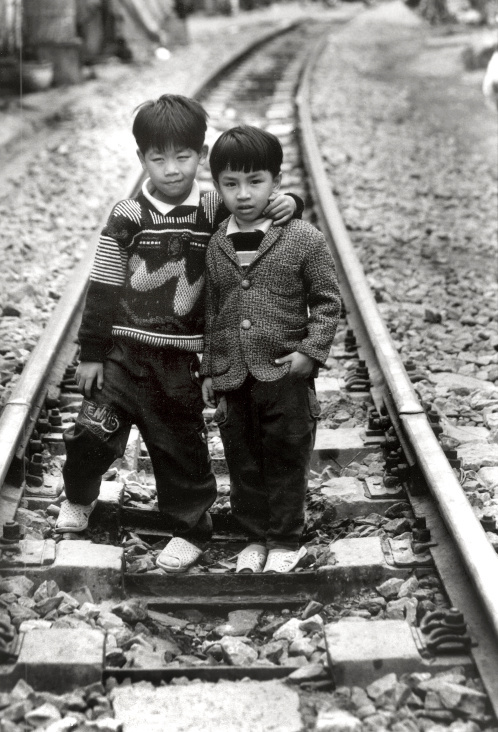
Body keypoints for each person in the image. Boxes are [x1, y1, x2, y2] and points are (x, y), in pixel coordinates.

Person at [57, 95, 302, 574]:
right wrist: (92, 352)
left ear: (200, 154)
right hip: (122, 356)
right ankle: (79, 496)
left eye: (184, 156)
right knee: (90, 435)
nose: (172, 169)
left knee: (180, 447)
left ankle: (189, 527)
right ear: (141, 159)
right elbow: (104, 284)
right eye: (158, 158)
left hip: (178, 362)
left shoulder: (212, 208)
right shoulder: (128, 216)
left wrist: (292, 201)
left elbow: (260, 212)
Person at [201, 125, 341, 573]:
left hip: (285, 373)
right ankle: (254, 537)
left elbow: (326, 301)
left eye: (256, 181)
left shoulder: (303, 238)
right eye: (231, 183)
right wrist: (209, 368)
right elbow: (212, 309)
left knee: (285, 452)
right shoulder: (215, 241)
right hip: (233, 373)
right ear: (217, 185)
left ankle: (284, 538)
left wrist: (311, 352)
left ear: (277, 182)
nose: (244, 194)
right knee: (242, 457)